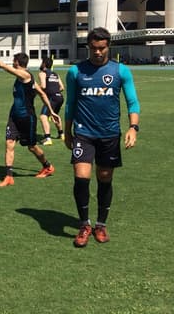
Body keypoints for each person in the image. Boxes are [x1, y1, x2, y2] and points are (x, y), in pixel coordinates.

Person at [64, 27, 140, 247]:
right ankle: (84, 224)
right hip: (83, 133)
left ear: (108, 47)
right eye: (93, 48)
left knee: (105, 178)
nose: (97, 52)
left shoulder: (121, 71)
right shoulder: (76, 72)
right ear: (88, 47)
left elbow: (132, 101)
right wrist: (67, 131)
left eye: (102, 48)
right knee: (81, 177)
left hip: (109, 135)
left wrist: (133, 127)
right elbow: (70, 104)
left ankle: (100, 224)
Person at [0, 52, 60, 187]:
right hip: (14, 116)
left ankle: (47, 166)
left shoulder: (25, 75)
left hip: (27, 117)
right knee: (9, 143)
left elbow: (3, 66)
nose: (12, 61)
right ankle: (8, 176)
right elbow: (41, 93)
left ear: (17, 61)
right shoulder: (23, 78)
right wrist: (51, 110)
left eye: (13, 59)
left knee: (31, 147)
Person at [38, 56, 65, 145]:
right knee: (54, 116)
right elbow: (62, 87)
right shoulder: (55, 74)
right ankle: (61, 134)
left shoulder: (42, 73)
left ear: (44, 64)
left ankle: (47, 138)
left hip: (51, 98)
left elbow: (43, 86)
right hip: (60, 97)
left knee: (43, 116)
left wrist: (35, 88)